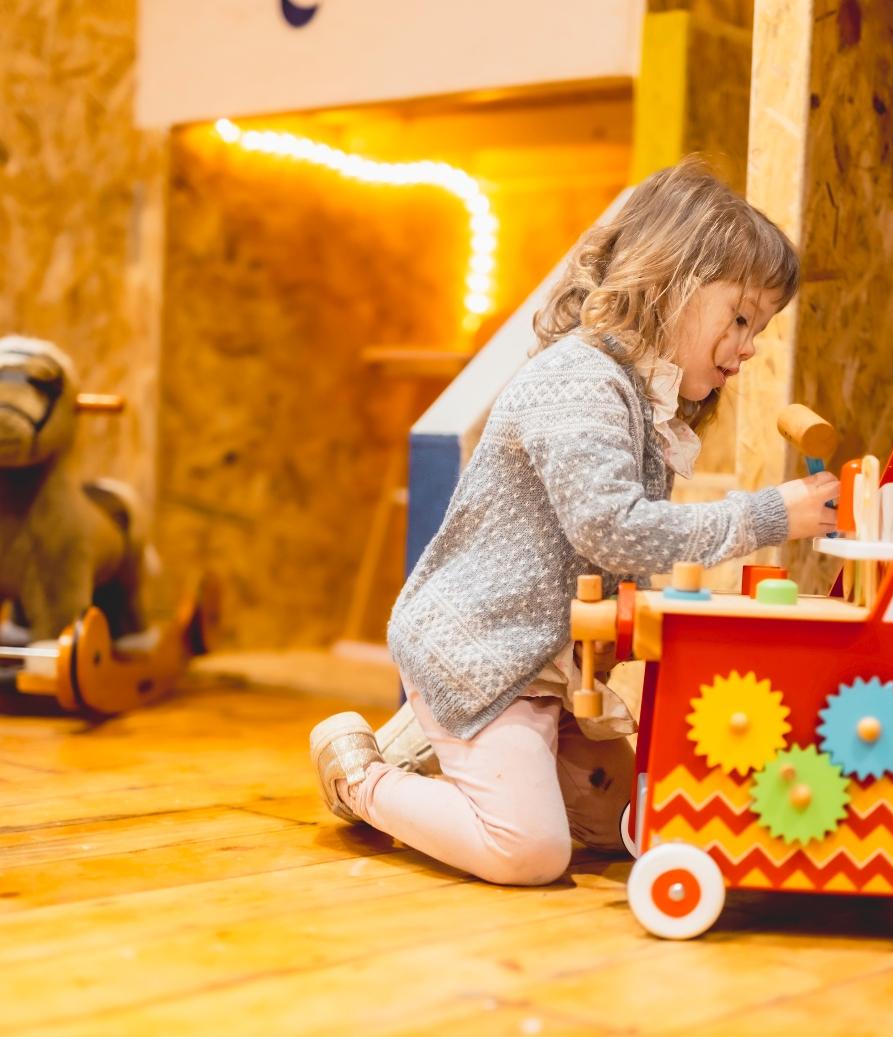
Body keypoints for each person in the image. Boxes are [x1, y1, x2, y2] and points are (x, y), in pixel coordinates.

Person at [310, 158, 839, 886]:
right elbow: (615, 530)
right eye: (741, 317)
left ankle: (439, 746)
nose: (749, 345)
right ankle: (361, 777)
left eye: (760, 326)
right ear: (672, 282)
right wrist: (769, 516)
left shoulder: (640, 398)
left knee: (625, 823)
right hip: (484, 654)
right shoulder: (579, 379)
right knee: (529, 851)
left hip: (546, 670)